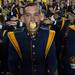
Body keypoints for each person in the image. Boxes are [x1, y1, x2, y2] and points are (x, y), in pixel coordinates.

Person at [4, 3, 57, 75]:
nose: (32, 19)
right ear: (22, 19)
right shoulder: (14, 37)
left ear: (41, 17)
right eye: (28, 15)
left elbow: (52, 65)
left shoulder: (49, 35)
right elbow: (12, 66)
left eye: (36, 15)